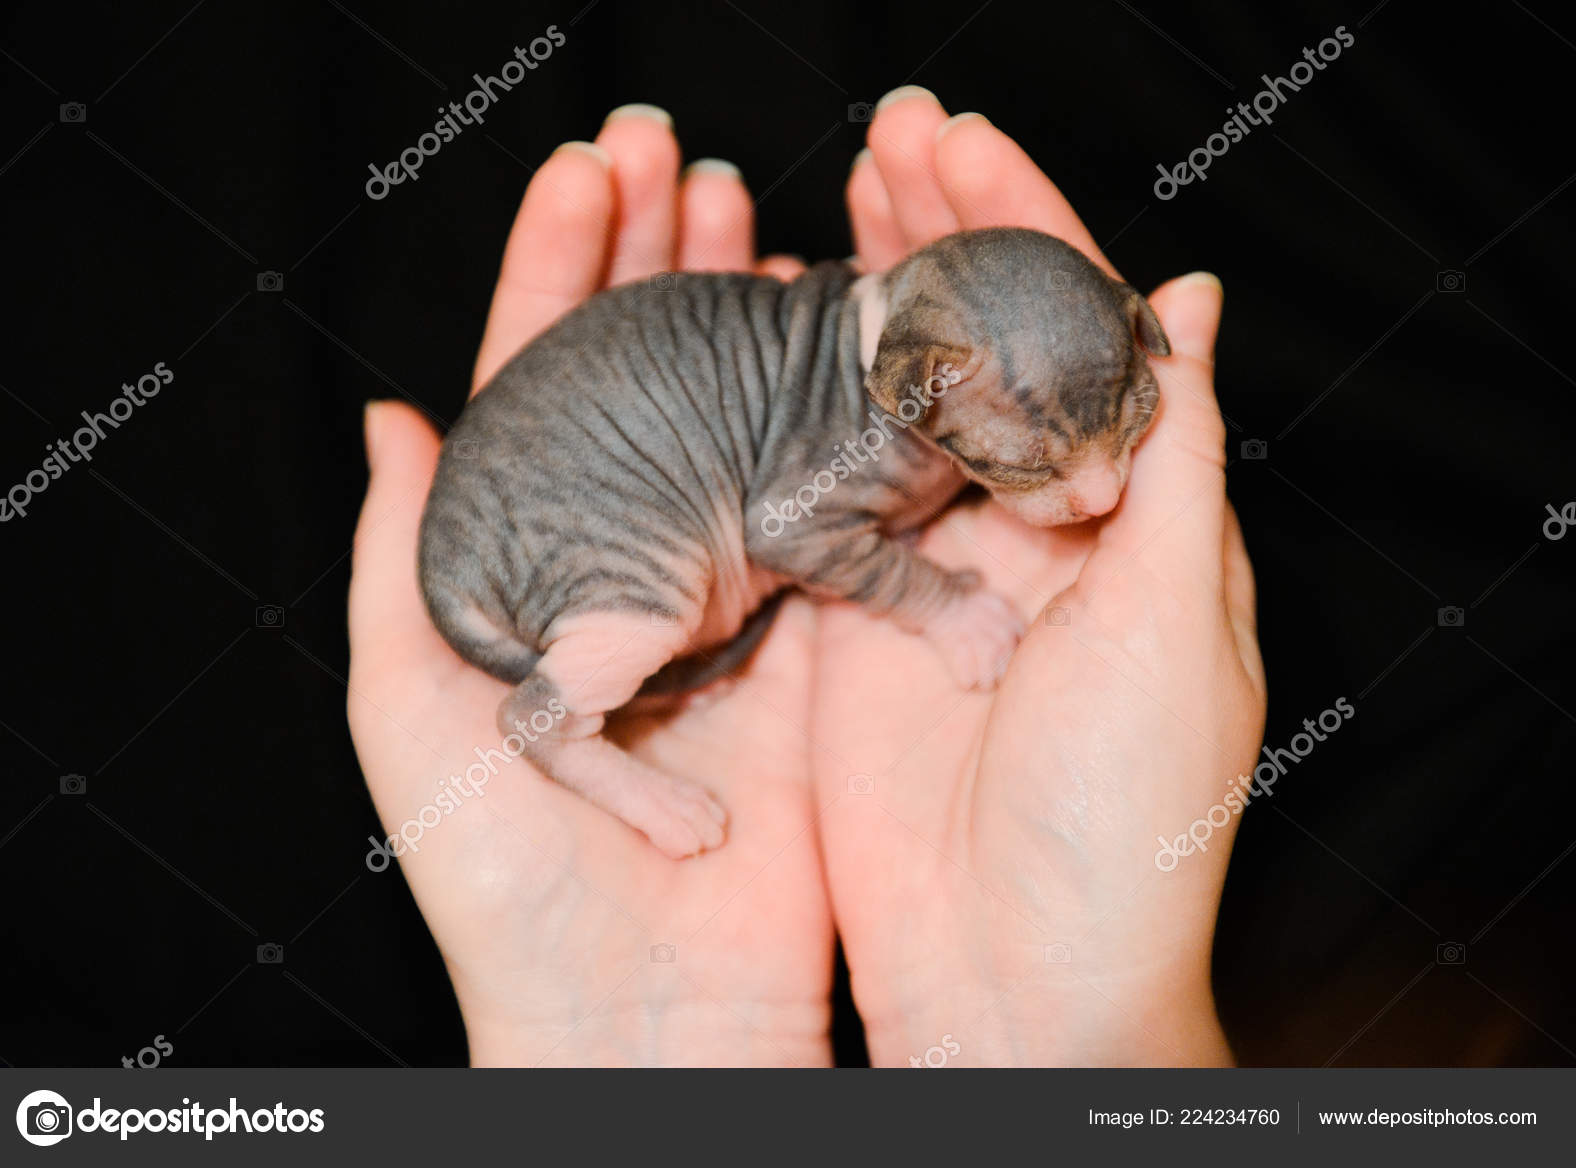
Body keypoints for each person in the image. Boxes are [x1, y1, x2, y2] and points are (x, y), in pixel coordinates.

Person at [347, 87, 1265, 1067]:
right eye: (1034, 464)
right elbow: (785, 531)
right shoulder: (877, 415)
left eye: (1128, 421)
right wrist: (937, 602)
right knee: (646, 605)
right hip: (568, 505)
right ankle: (557, 723)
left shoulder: (922, 370)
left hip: (603, 468)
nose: (1102, 490)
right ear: (911, 388)